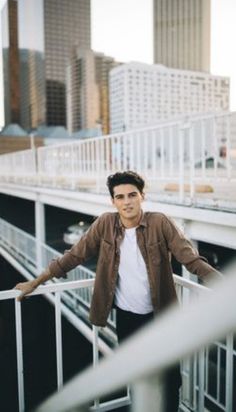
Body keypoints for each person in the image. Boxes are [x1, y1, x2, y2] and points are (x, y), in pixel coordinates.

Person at [15, 171, 221, 411]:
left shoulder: (160, 222)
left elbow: (192, 260)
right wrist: (36, 282)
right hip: (127, 317)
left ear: (142, 196)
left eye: (132, 195)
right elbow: (74, 257)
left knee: (170, 377)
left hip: (161, 316)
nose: (127, 201)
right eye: (120, 197)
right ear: (113, 201)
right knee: (135, 375)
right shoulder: (105, 224)